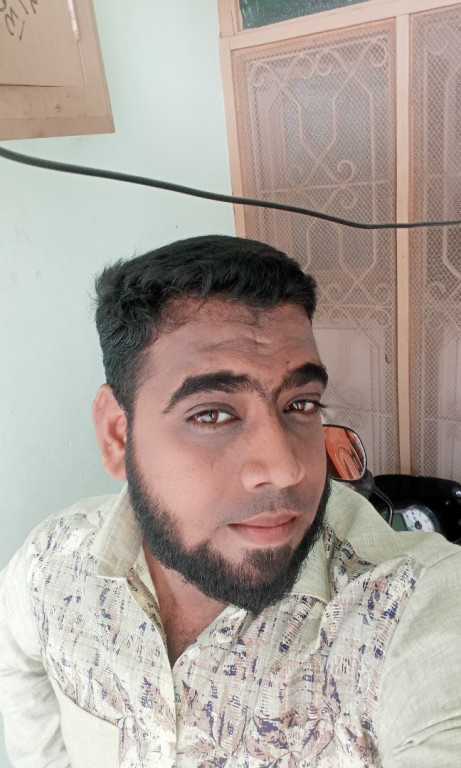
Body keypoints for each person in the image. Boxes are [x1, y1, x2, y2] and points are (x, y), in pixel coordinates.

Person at [0, 235, 460, 768]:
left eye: (300, 404)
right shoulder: (51, 568)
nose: (285, 468)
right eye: (212, 414)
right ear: (118, 435)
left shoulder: (406, 608)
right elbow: (17, 662)